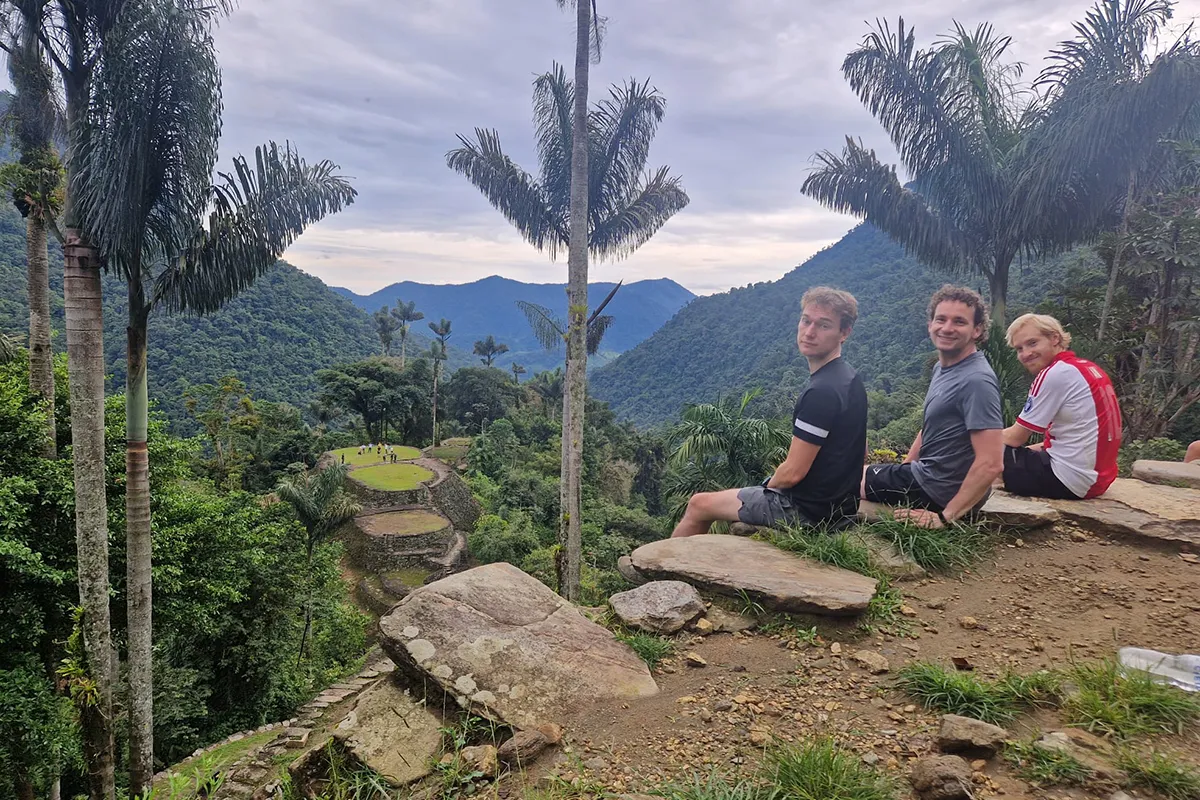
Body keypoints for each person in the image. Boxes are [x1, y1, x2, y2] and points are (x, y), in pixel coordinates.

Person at [670, 287, 868, 537]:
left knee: (699, 504)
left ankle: (661, 569)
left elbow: (792, 472)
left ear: (844, 333)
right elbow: (862, 450)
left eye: (824, 325)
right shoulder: (850, 378)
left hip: (806, 513)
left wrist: (768, 486)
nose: (809, 332)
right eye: (806, 320)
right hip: (840, 510)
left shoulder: (822, 392)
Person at [862, 285, 1004, 527]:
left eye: (959, 322)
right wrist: (904, 470)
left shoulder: (976, 380)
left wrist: (944, 517)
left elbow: (991, 462)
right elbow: (929, 427)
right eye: (941, 319)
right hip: (928, 478)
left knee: (839, 476)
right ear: (930, 325)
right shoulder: (944, 368)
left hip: (938, 491)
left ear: (977, 330)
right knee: (856, 472)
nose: (947, 328)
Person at [1000, 313, 1121, 499]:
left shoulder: (1055, 373)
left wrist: (965, 440)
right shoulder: (1087, 368)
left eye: (1032, 343)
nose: (1025, 354)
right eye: (1019, 348)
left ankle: (953, 510)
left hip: (1067, 480)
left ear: (1054, 338)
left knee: (980, 453)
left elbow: (1015, 438)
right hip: (1097, 479)